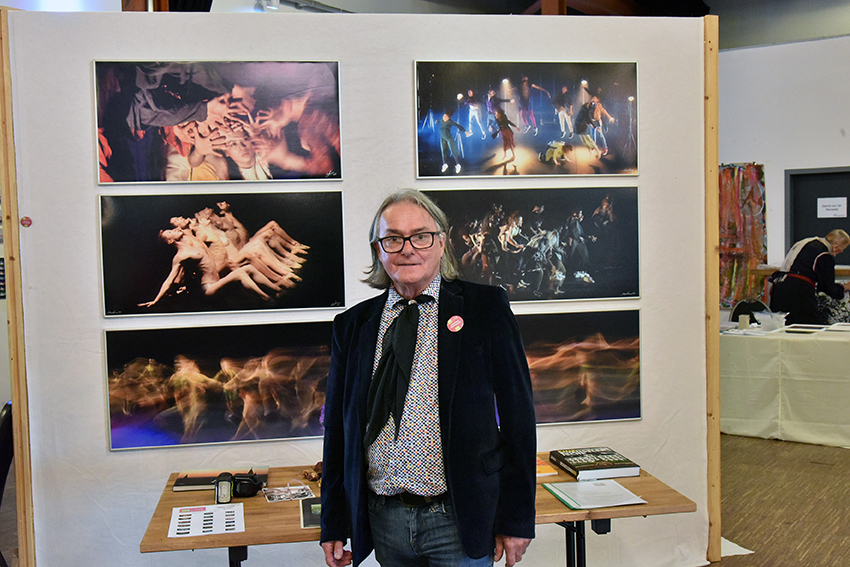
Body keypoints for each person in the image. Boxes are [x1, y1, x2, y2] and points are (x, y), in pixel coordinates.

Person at [320, 189, 536, 567]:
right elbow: (338, 431)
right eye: (393, 239)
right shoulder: (352, 326)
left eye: (420, 236)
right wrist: (334, 521)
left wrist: (517, 518)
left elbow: (519, 417)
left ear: (441, 242)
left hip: (459, 517)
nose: (408, 249)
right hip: (384, 520)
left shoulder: (485, 309)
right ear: (378, 250)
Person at [769, 229, 850, 324]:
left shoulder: (804, 242)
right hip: (799, 291)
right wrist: (844, 287)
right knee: (811, 326)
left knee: (781, 325)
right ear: (836, 247)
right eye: (842, 249)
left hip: (779, 286)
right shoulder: (824, 255)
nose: (841, 252)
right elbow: (827, 287)